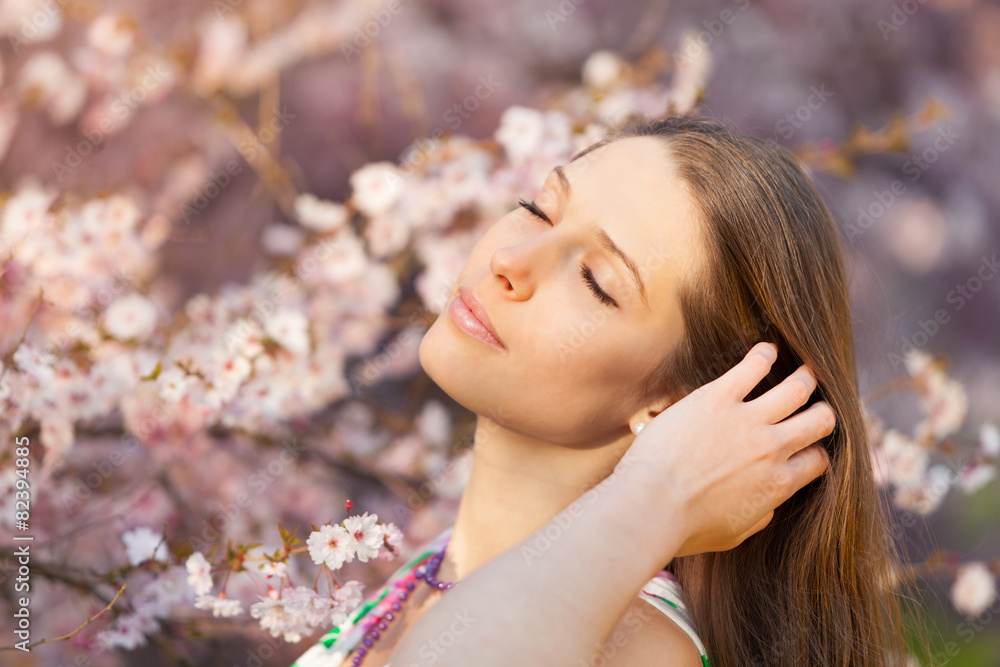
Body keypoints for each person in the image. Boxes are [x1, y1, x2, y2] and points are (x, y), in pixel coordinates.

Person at [290, 114, 910, 667]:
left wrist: (662, 492)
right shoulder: (428, 574)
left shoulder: (636, 646)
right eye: (540, 210)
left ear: (676, 404)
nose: (512, 257)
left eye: (596, 281)